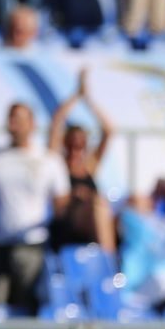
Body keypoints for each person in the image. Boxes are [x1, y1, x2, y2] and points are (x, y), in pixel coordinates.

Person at [0, 102, 69, 314]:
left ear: (32, 124)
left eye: (20, 118)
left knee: (25, 307)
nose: (14, 123)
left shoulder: (49, 161)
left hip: (30, 247)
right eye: (11, 118)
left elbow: (62, 208)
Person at [47, 69, 116, 253]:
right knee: (98, 206)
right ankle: (110, 262)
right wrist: (76, 95)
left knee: (104, 206)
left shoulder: (89, 165)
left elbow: (109, 130)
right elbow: (57, 122)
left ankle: (109, 258)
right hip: (68, 221)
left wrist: (89, 100)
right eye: (72, 144)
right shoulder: (58, 164)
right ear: (65, 143)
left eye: (81, 144)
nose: (76, 149)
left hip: (92, 218)